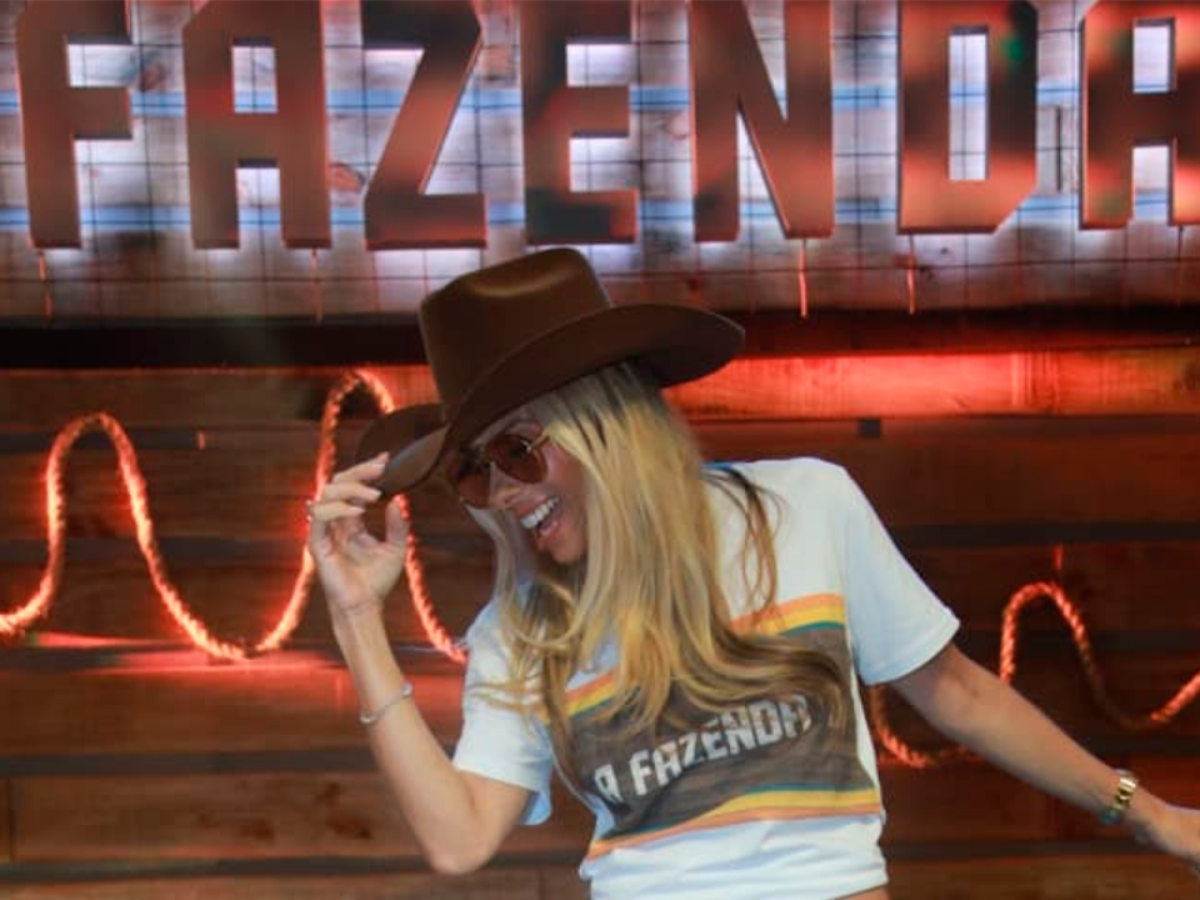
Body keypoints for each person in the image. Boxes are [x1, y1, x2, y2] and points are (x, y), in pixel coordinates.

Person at [306, 247, 1200, 900]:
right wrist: (354, 620)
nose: (503, 494)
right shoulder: (525, 626)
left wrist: (1151, 815)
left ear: (607, 425)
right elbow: (460, 839)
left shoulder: (802, 509)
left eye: (518, 453)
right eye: (476, 474)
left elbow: (959, 694)